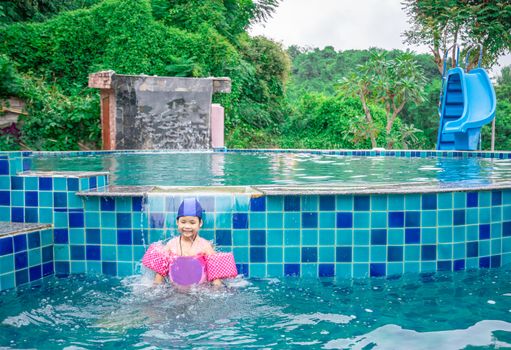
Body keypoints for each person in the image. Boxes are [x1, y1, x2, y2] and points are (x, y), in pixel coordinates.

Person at [154, 198, 222, 286]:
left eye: (192, 223)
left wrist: (217, 291)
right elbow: (160, 273)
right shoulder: (171, 244)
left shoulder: (205, 246)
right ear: (177, 222)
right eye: (183, 222)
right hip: (175, 291)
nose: (187, 226)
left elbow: (215, 276)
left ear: (200, 223)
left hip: (199, 291)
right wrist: (155, 287)